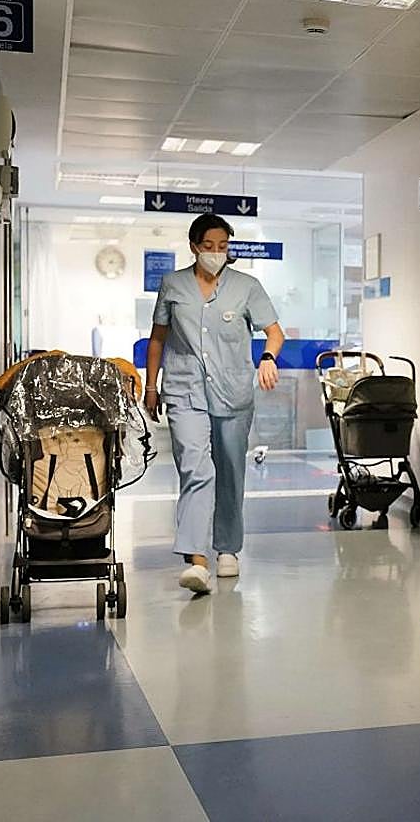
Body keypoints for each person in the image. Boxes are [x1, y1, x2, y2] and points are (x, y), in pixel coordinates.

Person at [145, 214, 284, 593]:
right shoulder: (172, 285)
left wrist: (268, 359)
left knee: (230, 471)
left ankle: (227, 549)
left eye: (223, 247)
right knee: (196, 468)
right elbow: (158, 339)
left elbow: (274, 333)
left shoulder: (247, 287)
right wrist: (151, 386)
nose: (216, 253)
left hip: (233, 392)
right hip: (183, 390)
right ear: (194, 246)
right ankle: (196, 560)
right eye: (209, 247)